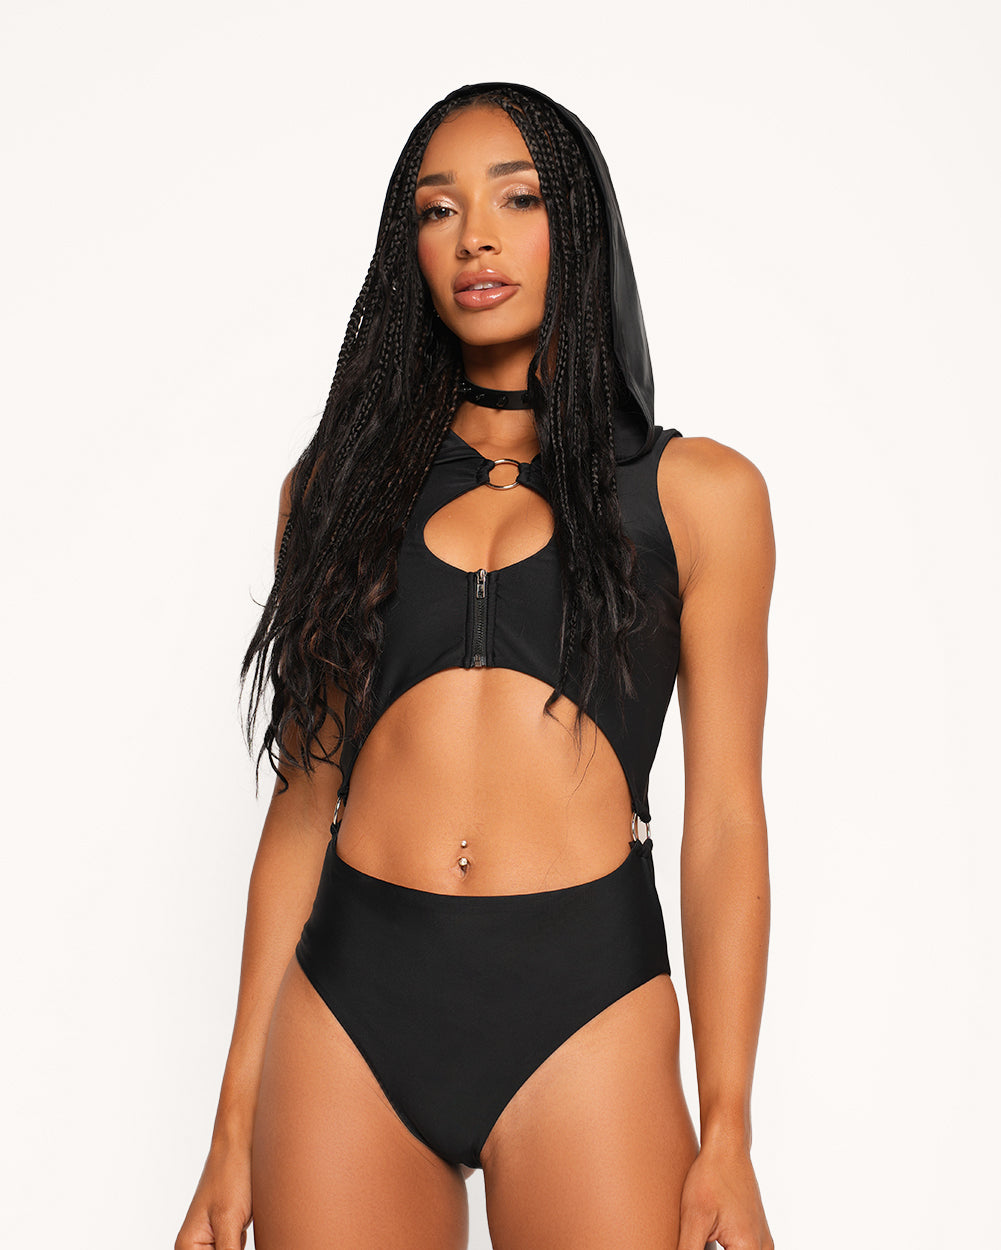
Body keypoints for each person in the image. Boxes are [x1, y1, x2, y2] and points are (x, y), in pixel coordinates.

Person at [175, 81, 775, 1250]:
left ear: (577, 223)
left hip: (583, 1003)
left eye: (517, 198)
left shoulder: (700, 495)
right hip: (348, 1007)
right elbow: (301, 804)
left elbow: (723, 822)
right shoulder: (335, 489)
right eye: (437, 209)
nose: (474, 239)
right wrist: (231, 1123)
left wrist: (729, 1127)